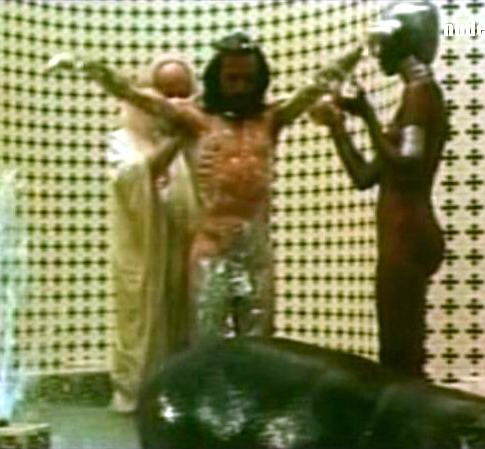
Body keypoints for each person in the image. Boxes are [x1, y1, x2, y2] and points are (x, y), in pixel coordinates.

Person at [48, 32, 362, 340]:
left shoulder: (272, 118)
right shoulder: (197, 120)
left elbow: (315, 85)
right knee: (208, 347)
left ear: (259, 80)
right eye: (231, 78)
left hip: (256, 255)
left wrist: (361, 48)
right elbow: (133, 94)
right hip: (212, 251)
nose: (239, 87)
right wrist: (84, 64)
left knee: (258, 347)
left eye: (247, 79)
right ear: (217, 79)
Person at [308, 1, 446, 378]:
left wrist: (368, 114)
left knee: (398, 355)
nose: (378, 52)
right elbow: (365, 176)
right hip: (404, 232)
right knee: (401, 348)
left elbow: (407, 164)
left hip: (407, 233)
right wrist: (338, 126)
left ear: (403, 41)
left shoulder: (420, 91)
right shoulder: (416, 92)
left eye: (383, 44)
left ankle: (409, 413)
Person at [105, 54, 201, 413]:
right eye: (166, 93)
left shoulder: (198, 136)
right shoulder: (124, 137)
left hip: (186, 246)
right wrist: (176, 142)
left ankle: (181, 393)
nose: (175, 102)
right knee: (144, 320)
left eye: (183, 93)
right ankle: (138, 393)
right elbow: (130, 179)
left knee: (187, 316)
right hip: (143, 252)